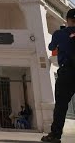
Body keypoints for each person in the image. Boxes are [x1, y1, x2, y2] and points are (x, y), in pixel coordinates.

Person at [41, 9, 75, 143]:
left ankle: (55, 135)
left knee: (61, 105)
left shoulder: (60, 33)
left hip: (67, 73)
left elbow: (51, 47)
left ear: (67, 20)